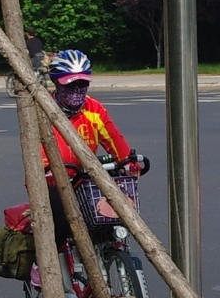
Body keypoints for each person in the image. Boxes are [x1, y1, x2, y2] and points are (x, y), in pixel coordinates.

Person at [38, 51, 147, 266]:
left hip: (87, 177)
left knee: (111, 210)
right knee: (59, 219)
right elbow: (36, 147)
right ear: (56, 83)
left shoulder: (94, 108)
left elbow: (113, 137)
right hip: (53, 179)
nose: (77, 91)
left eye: (82, 84)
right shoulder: (42, 109)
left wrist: (128, 161)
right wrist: (47, 169)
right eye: (70, 85)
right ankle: (41, 267)